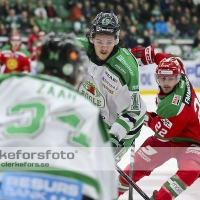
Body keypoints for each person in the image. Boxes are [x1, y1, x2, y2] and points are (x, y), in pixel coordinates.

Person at [0, 32, 117, 200]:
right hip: (75, 187)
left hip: (8, 178)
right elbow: (107, 176)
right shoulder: (87, 108)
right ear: (75, 69)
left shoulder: (9, 84)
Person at [118, 45, 200, 200]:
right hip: (168, 136)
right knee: (133, 169)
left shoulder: (172, 106)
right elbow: (167, 57)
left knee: (191, 170)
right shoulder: (177, 68)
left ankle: (162, 198)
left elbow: (164, 134)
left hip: (189, 143)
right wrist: (149, 54)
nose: (166, 83)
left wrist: (144, 116)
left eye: (170, 79)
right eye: (162, 78)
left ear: (177, 78)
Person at [78, 12, 147, 162]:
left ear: (116, 40)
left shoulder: (126, 68)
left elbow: (132, 111)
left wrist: (115, 135)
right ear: (91, 38)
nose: (104, 47)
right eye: (99, 41)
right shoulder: (78, 50)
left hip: (123, 126)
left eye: (109, 41)